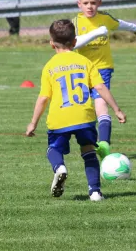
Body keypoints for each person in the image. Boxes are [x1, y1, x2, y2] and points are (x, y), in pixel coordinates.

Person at [25, 19, 127, 201]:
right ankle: (95, 192)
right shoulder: (85, 62)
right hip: (84, 116)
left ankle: (60, 168)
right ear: (74, 42)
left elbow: (43, 98)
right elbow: (101, 87)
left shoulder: (49, 66)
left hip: (60, 118)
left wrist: (33, 123)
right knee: (88, 152)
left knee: (53, 149)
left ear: (51, 43)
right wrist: (117, 109)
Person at [73, 0, 136, 158]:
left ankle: (103, 144)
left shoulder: (104, 19)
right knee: (83, 111)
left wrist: (135, 28)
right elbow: (75, 43)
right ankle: (89, 144)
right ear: (79, 4)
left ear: (100, 2)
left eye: (93, 2)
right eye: (86, 3)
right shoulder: (75, 22)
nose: (90, 6)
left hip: (102, 69)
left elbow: (119, 24)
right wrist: (97, 33)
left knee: (101, 106)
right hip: (82, 71)